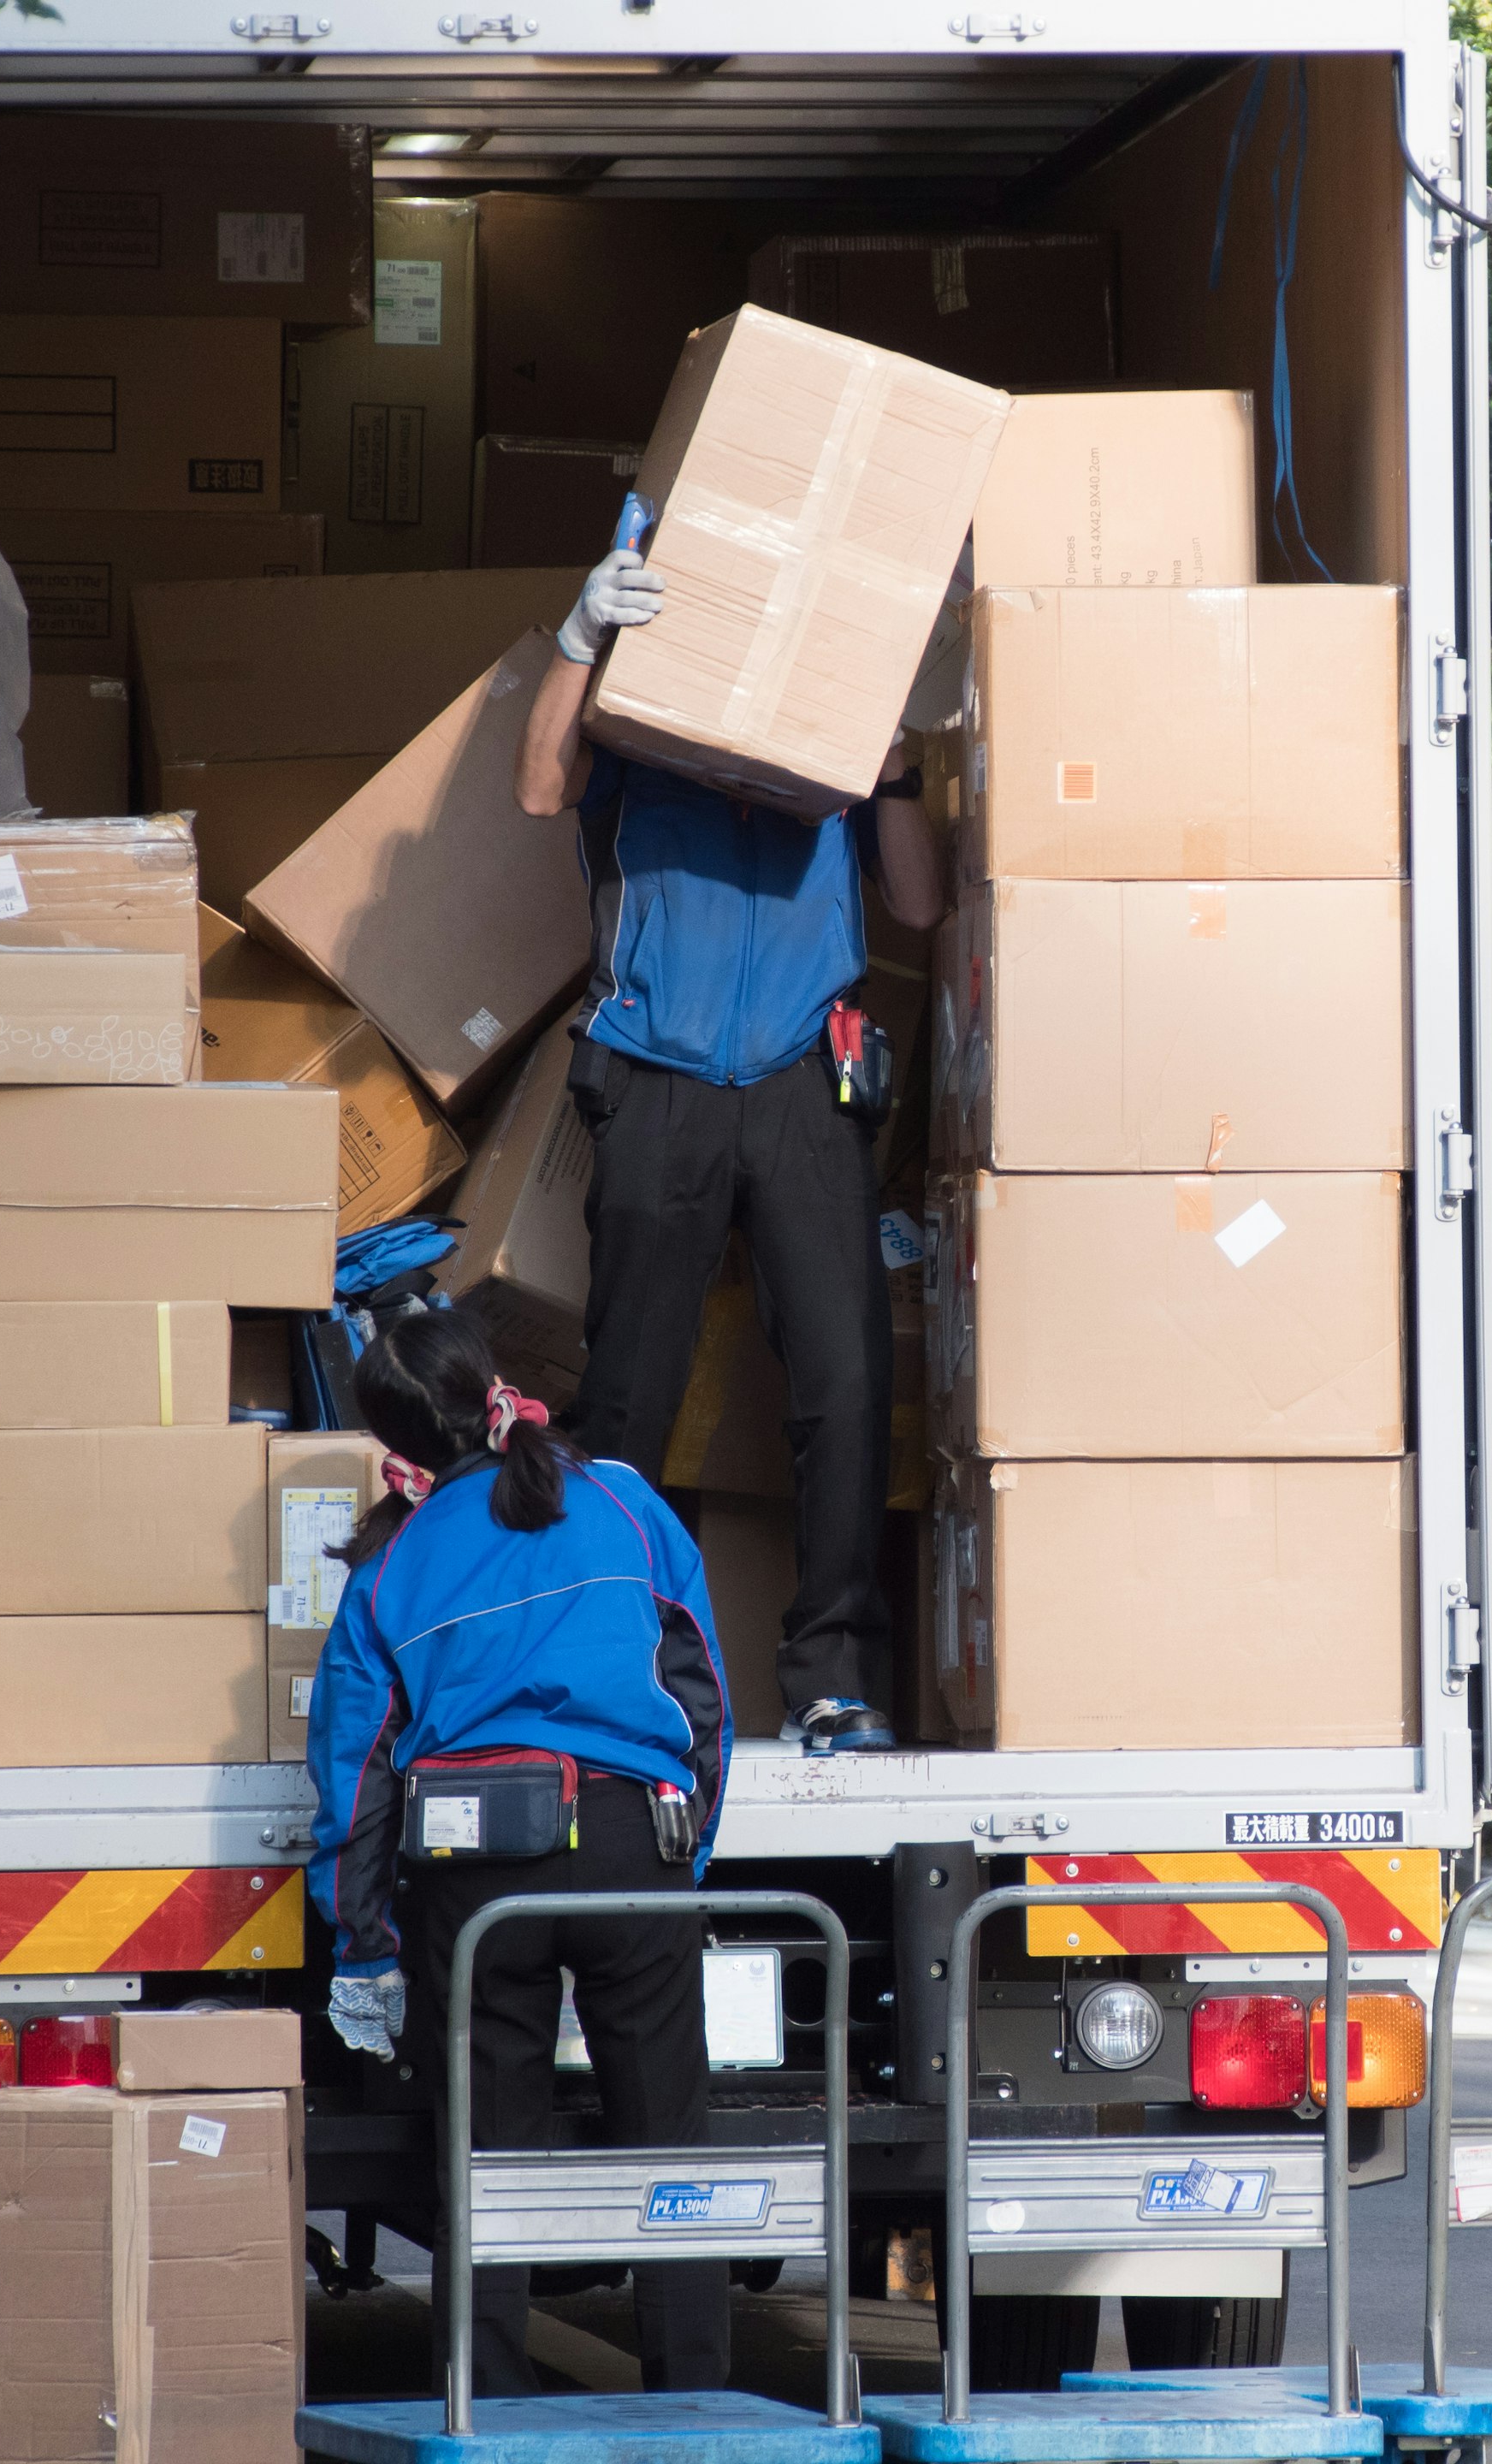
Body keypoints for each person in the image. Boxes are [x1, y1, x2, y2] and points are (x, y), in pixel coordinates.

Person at [517, 540, 943, 1756]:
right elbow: (543, 786)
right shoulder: (648, 728)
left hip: (808, 1077)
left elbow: (917, 906)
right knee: (629, 1392)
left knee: (848, 1384)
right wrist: (580, 636)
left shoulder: (829, 735)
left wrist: (897, 764)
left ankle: (832, 1675)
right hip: (659, 1074)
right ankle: (611, 1662)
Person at [305, 1311, 733, 2394]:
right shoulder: (623, 1501)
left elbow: (356, 1785)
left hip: (474, 1873)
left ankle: (484, 2407)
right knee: (670, 2148)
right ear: (491, 1384)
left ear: (393, 1438)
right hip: (631, 1845)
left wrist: (365, 1951)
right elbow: (703, 1694)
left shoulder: (388, 1566)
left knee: (488, 2160)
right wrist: (686, 1854)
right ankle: (693, 2402)